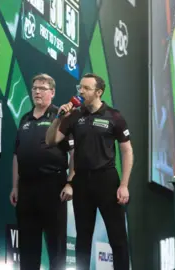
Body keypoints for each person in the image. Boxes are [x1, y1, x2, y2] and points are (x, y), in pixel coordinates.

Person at [45, 73, 133, 270]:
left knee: (117, 237)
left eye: (86, 88)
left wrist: (124, 185)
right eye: (80, 88)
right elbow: (51, 140)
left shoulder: (114, 116)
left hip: (107, 180)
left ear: (98, 92)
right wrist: (59, 119)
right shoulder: (74, 116)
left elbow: (127, 151)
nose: (81, 92)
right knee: (82, 238)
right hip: (82, 181)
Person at [10, 73, 74, 270]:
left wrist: (70, 183)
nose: (37, 92)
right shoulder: (25, 119)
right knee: (28, 248)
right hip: (27, 189)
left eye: (42, 88)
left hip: (53, 186)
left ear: (52, 93)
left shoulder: (61, 117)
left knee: (56, 248)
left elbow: (75, 153)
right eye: (34, 88)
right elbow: (16, 155)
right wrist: (15, 186)